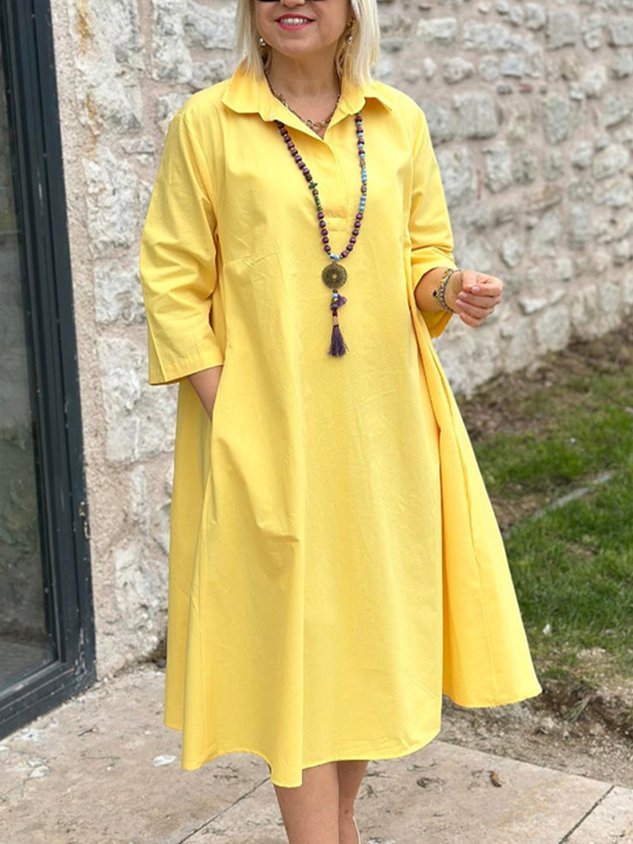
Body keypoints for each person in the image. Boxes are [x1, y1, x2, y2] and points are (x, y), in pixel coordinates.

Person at [139, 1, 542, 842]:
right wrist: (231, 413)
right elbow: (172, 283)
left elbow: (420, 256)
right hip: (265, 430)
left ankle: (341, 822)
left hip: (382, 428)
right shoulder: (207, 125)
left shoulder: (398, 122)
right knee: (293, 644)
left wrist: (449, 289)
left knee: (360, 635)